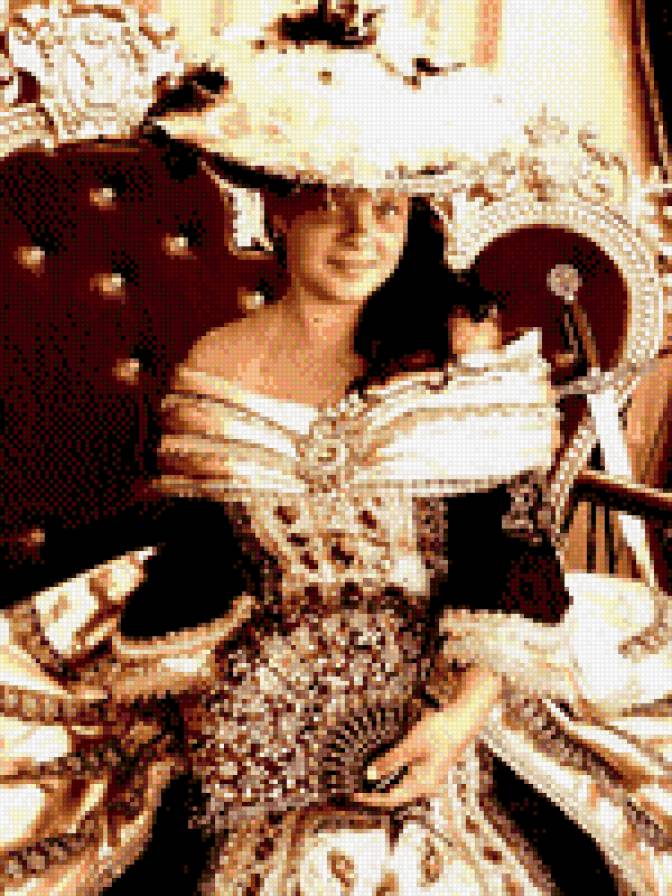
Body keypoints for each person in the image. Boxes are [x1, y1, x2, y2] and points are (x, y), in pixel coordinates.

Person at [1, 5, 672, 895]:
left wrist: (454, 721)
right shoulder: (218, 362)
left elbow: (508, 549)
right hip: (266, 692)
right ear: (281, 210)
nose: (363, 237)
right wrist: (211, 700)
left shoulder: (457, 348)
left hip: (454, 686)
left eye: (386, 211)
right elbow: (205, 557)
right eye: (332, 210)